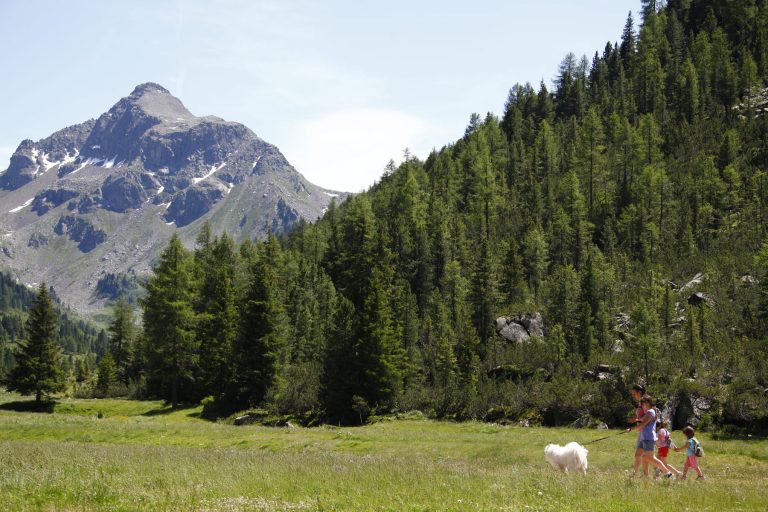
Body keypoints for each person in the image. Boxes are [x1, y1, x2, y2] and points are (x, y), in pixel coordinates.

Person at [637, 395, 682, 478]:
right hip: (659, 447)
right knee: (646, 458)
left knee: (657, 460)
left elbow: (663, 438)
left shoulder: (660, 429)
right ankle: (649, 474)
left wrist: (657, 438)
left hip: (661, 447)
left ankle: (670, 473)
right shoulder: (657, 426)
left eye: (643, 404)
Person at [626, 384, 646, 476]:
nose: (633, 396)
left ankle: (667, 472)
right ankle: (636, 474)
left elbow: (649, 416)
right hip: (641, 431)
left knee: (647, 456)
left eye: (634, 394)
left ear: (640, 392)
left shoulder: (645, 402)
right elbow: (641, 416)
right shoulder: (640, 403)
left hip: (646, 432)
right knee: (641, 455)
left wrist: (637, 421)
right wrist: (635, 419)